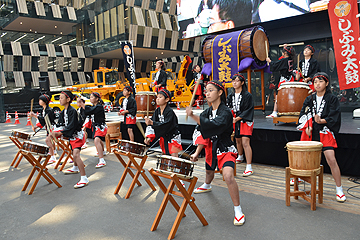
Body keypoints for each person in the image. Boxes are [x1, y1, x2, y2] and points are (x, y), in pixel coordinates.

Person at [186, 80, 245, 226]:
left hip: (225, 148)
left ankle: (238, 210)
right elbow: (201, 132)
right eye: (206, 91)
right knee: (209, 173)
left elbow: (214, 125)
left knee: (228, 176)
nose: (207, 93)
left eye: (210, 90)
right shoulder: (207, 112)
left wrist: (193, 116)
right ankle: (207, 185)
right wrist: (196, 153)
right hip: (211, 148)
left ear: (220, 93)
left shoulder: (225, 112)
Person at [297, 72, 346, 202]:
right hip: (311, 131)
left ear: (327, 83)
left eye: (320, 81)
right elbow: (304, 113)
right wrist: (307, 125)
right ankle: (299, 179)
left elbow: (334, 116)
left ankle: (339, 189)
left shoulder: (332, 98)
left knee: (331, 159)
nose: (317, 84)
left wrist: (322, 121)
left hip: (325, 131)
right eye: (315, 82)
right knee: (304, 159)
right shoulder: (309, 98)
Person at [51, 91, 88, 188]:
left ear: (68, 100)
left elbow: (72, 125)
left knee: (76, 154)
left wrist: (60, 133)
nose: (60, 100)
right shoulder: (63, 111)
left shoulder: (72, 111)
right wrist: (55, 130)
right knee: (72, 151)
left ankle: (84, 178)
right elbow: (60, 123)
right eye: (59, 98)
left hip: (77, 135)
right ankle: (75, 167)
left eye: (62, 98)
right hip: (72, 135)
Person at [226, 74, 254, 177]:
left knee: (245, 141)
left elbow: (249, 109)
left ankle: (249, 166)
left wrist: (238, 118)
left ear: (242, 83)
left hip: (245, 120)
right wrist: (230, 117)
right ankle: (240, 156)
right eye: (233, 81)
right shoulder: (230, 95)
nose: (234, 83)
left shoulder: (247, 95)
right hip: (234, 119)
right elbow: (228, 107)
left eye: (237, 81)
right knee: (237, 140)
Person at [144, 89, 183, 157]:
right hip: (164, 136)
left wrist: (152, 123)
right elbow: (152, 124)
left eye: (160, 97)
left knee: (174, 156)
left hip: (173, 136)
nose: (157, 99)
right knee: (164, 156)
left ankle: (175, 168)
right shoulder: (157, 111)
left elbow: (166, 125)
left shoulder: (170, 112)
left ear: (167, 99)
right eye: (157, 97)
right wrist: (149, 137)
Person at [265, 45, 296, 118]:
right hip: (290, 79)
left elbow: (275, 65)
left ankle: (275, 112)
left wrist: (269, 61)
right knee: (289, 96)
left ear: (284, 53)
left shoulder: (284, 60)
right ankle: (287, 110)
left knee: (278, 96)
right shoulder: (291, 59)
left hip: (284, 80)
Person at [30, 94, 56, 164]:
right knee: (50, 141)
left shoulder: (49, 110)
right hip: (48, 127)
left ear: (44, 101)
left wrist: (35, 116)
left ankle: (52, 156)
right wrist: (36, 126)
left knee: (48, 141)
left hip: (52, 127)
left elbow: (45, 120)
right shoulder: (44, 109)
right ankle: (53, 152)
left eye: (40, 100)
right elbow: (43, 122)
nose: (39, 101)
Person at [84, 92, 108, 168]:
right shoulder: (94, 106)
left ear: (97, 99)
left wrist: (82, 106)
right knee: (98, 140)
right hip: (96, 126)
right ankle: (103, 152)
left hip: (100, 126)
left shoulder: (99, 107)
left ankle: (102, 160)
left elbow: (89, 111)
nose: (90, 98)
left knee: (96, 140)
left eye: (92, 97)